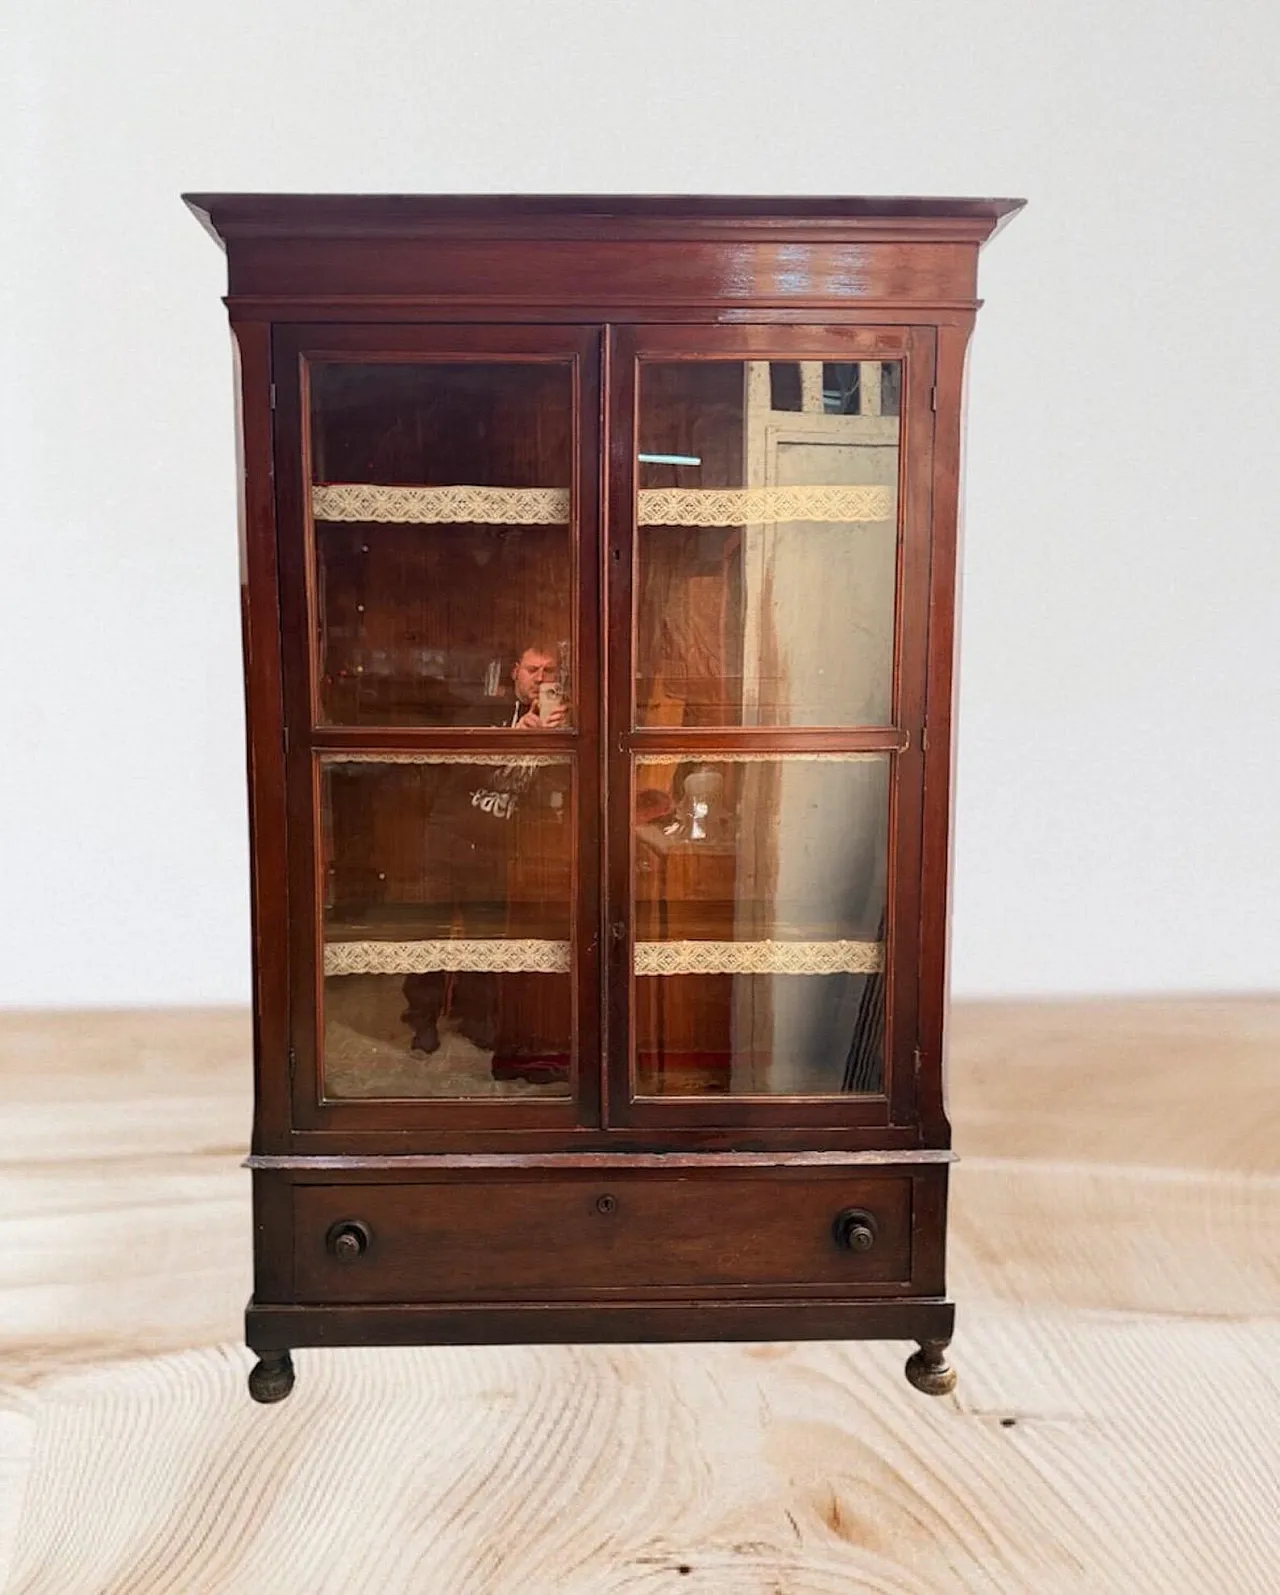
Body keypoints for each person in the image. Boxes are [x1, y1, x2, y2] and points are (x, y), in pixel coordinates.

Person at [401, 643, 571, 1062]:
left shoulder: (563, 722)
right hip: (449, 838)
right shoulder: (480, 712)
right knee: (431, 930)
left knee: (486, 935)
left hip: (499, 847)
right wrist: (515, 736)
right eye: (533, 669)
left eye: (549, 671)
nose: (540, 678)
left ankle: (475, 1019)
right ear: (515, 672)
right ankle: (421, 1019)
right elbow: (457, 766)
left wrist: (561, 742)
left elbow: (558, 791)